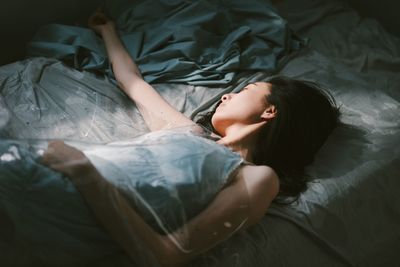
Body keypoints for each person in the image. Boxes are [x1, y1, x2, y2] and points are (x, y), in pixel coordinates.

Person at [41, 9, 339, 267]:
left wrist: (85, 173)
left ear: (270, 111)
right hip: (48, 171)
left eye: (246, 90)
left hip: (63, 199)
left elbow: (167, 254)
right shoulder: (188, 131)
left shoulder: (258, 179)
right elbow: (131, 80)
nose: (226, 95)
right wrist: (107, 30)